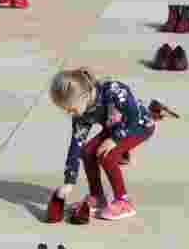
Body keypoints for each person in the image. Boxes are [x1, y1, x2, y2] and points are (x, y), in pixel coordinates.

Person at [49, 68, 155, 220]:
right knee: (87, 151)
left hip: (140, 125)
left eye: (71, 108)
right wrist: (69, 182)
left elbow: (134, 116)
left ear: (85, 95)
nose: (70, 114)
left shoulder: (113, 91)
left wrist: (115, 139)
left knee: (106, 155)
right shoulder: (81, 112)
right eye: (66, 110)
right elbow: (76, 145)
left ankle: (123, 201)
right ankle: (97, 197)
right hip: (115, 127)